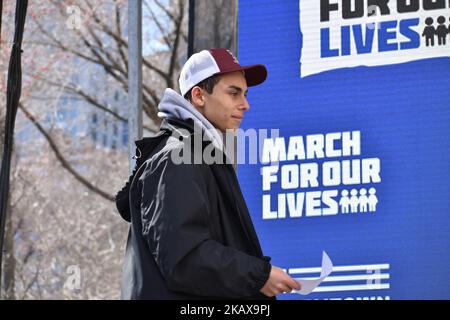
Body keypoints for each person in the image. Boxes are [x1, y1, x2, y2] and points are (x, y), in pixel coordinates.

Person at [115, 48, 300, 300]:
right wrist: (259, 276)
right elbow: (184, 258)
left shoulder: (199, 154)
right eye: (233, 93)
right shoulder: (178, 157)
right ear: (199, 96)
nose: (245, 104)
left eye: (245, 94)